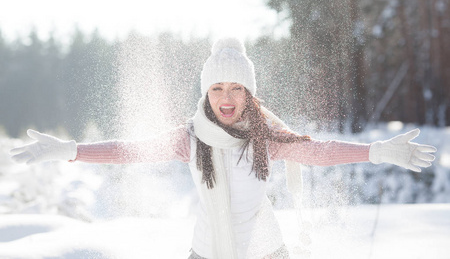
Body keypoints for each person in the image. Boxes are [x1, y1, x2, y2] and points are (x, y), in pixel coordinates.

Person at [10, 37, 437, 259]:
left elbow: (317, 150)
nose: (227, 97)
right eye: (217, 87)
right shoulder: (189, 138)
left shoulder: (267, 136)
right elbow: (128, 150)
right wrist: (68, 150)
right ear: (206, 93)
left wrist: (378, 151)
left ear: (250, 93)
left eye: (236, 87)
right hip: (206, 252)